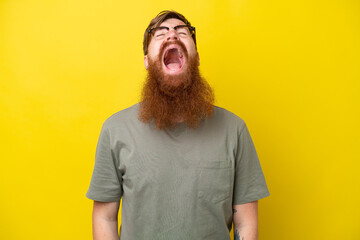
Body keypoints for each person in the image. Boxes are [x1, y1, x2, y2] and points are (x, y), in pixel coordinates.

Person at [86, 10, 270, 240]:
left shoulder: (234, 130)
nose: (172, 36)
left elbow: (246, 223)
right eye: (160, 33)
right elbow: (105, 218)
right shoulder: (115, 130)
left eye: (182, 32)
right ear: (146, 61)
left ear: (197, 57)